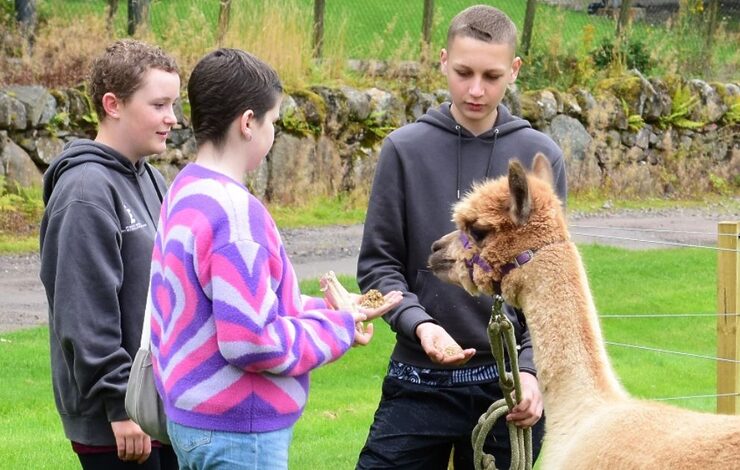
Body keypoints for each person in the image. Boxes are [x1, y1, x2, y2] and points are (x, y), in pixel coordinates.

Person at [148, 48, 402, 470]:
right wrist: (337, 328)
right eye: (274, 123)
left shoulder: (187, 190)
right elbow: (251, 341)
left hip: (193, 424)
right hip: (239, 433)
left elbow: (234, 307)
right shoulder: (236, 215)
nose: (273, 134)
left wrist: (332, 309)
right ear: (248, 123)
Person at [356, 5, 568, 469]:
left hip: (509, 387)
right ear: (442, 60)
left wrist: (532, 372)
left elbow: (550, 284)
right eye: (463, 72)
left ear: (514, 70)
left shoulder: (540, 155)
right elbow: (378, 265)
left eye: (492, 76)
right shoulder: (404, 150)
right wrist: (420, 324)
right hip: (419, 379)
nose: (476, 89)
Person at [39, 39, 180, 469]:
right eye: (159, 105)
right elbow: (82, 310)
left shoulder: (151, 179)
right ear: (113, 104)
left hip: (157, 408)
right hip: (118, 425)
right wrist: (121, 405)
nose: (172, 118)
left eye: (174, 104)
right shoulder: (84, 192)